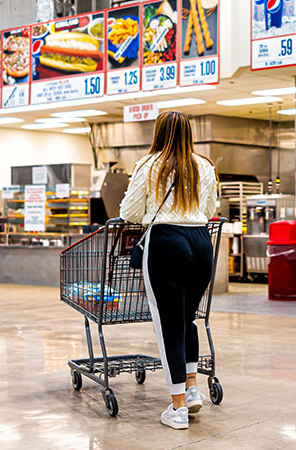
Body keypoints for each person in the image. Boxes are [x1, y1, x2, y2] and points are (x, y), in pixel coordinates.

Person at [119, 110, 218, 430]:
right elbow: (210, 209)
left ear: (158, 132)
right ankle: (190, 390)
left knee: (168, 326)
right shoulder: (204, 165)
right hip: (202, 244)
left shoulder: (148, 165)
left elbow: (129, 212)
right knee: (188, 319)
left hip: (166, 243)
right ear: (190, 132)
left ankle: (176, 409)